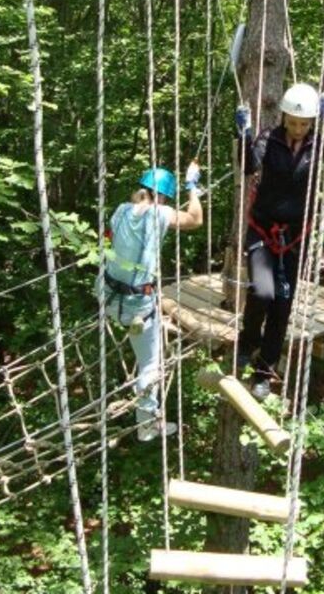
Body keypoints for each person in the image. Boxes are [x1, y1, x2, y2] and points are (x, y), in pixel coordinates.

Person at [235, 83, 324, 401]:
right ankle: (247, 343)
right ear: (284, 118)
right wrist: (243, 135)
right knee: (262, 291)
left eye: (304, 124)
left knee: (282, 305)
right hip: (263, 230)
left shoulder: (318, 144)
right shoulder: (268, 139)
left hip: (293, 236)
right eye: (293, 122)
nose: (299, 129)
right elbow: (249, 165)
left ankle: (264, 373)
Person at [101, 162, 203, 441]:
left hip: (109, 297)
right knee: (150, 365)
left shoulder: (121, 210)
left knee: (145, 335)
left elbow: (110, 242)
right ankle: (146, 425)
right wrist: (192, 187)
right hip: (136, 305)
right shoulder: (160, 212)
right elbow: (195, 220)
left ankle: (147, 419)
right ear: (162, 197)